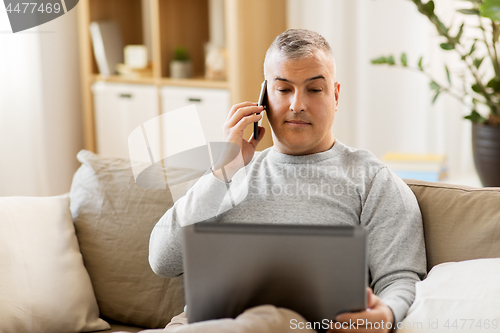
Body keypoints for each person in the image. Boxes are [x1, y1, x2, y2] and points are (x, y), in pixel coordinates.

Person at [149, 29, 426, 333]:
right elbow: (162, 260)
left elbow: (402, 280)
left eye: (314, 90)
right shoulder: (228, 174)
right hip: (201, 324)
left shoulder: (371, 179)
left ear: (335, 95)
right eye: (283, 90)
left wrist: (385, 316)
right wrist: (222, 171)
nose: (297, 105)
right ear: (264, 98)